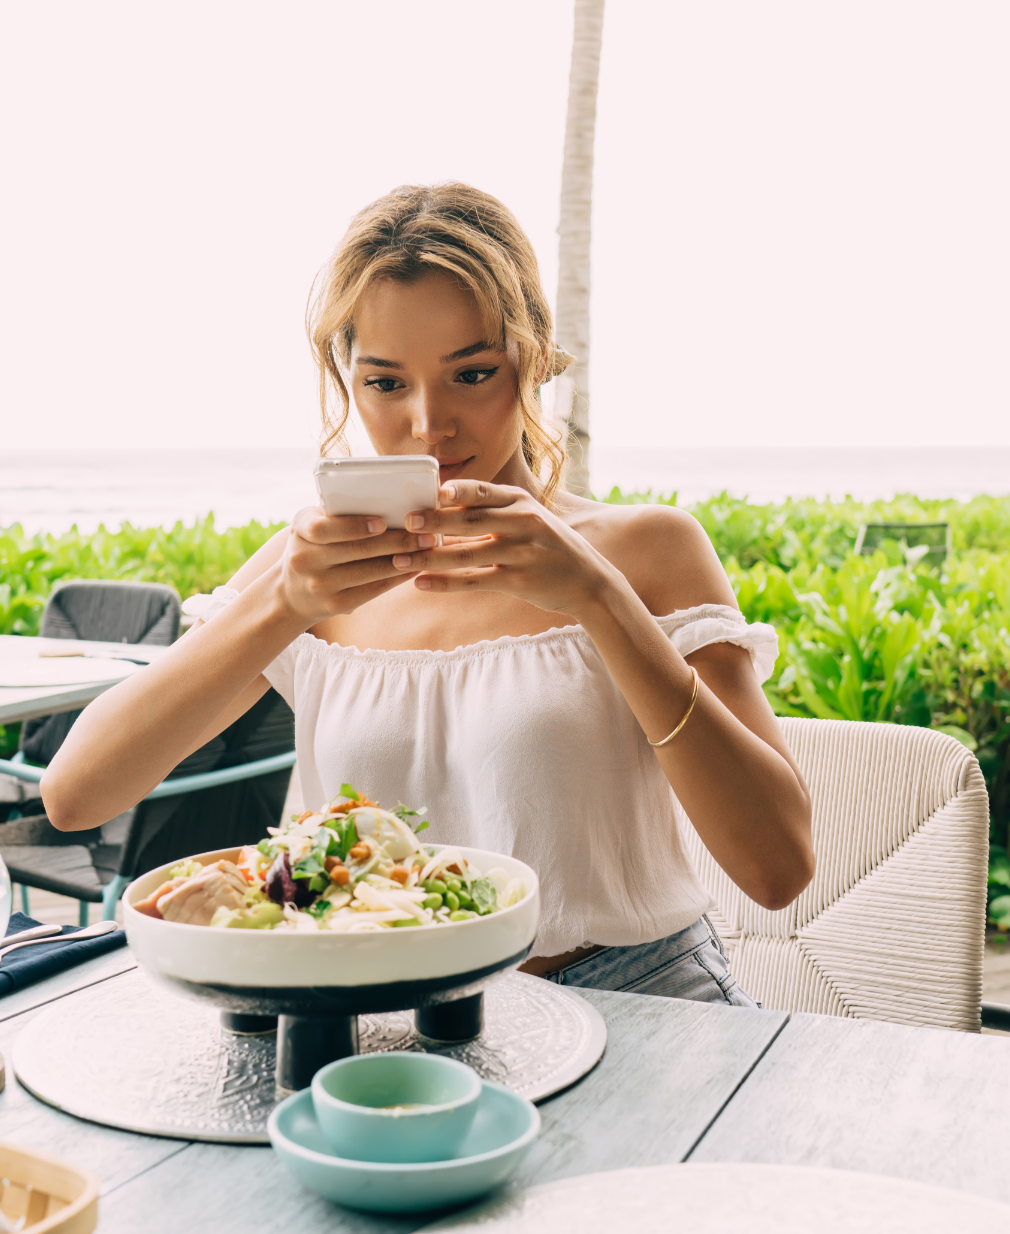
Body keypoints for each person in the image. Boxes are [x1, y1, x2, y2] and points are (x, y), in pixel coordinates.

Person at [42, 182, 814, 1004]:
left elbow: (778, 868)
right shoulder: (310, 575)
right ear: (349, 378)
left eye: (472, 373)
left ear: (537, 357)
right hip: (380, 1015)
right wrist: (281, 608)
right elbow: (75, 795)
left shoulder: (643, 550)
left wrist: (600, 601)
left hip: (639, 999)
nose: (428, 425)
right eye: (384, 383)